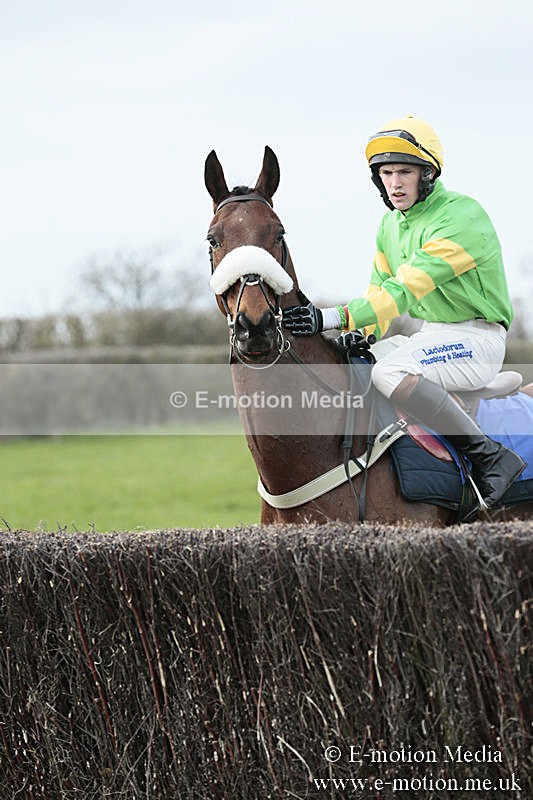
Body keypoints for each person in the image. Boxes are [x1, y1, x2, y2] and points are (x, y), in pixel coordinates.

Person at [283, 115, 525, 510]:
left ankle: (491, 458)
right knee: (359, 364)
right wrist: (363, 335)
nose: (393, 183)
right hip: (433, 335)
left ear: (426, 174)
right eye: (386, 173)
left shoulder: (462, 216)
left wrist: (329, 317)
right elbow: (379, 291)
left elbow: (405, 289)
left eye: (404, 172)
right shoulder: (389, 226)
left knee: (388, 372)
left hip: (476, 340)